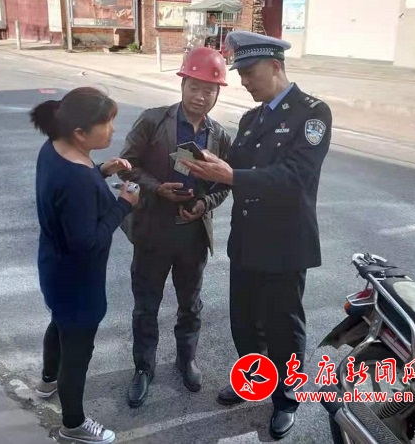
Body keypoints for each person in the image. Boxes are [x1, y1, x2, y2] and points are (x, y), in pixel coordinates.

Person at [182, 31, 333, 440]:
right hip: (247, 240)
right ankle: (254, 380)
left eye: (250, 72)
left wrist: (232, 174)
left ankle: (286, 398)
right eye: (241, 74)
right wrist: (206, 167)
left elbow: (295, 176)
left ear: (275, 66)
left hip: (285, 243)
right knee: (245, 321)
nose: (244, 81)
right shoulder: (252, 120)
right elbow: (234, 169)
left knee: (283, 326)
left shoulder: (312, 113)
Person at [117, 47, 232, 408]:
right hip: (153, 231)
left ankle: (187, 360)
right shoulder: (153, 121)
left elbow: (226, 184)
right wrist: (157, 188)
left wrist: (203, 205)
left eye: (209, 90)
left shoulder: (219, 136)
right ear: (182, 85)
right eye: (194, 87)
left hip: (192, 236)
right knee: (146, 306)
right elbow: (127, 166)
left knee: (190, 304)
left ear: (218, 93)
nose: (200, 96)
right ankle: (143, 367)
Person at [31, 87, 139, 443]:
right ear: (80, 132)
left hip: (54, 267)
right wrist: (124, 204)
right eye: (107, 123)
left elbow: (74, 191)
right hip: (79, 281)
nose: (112, 130)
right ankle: (73, 425)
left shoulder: (54, 149)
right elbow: (88, 242)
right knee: (77, 352)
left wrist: (102, 171)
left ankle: (47, 381)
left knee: (59, 323)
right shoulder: (76, 179)